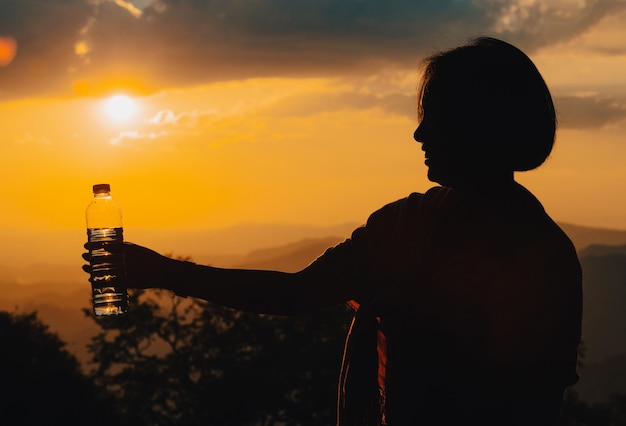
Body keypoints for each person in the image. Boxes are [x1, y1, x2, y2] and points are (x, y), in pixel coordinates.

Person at [84, 37, 582, 425]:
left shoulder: (414, 231)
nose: (419, 133)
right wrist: (162, 271)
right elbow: (295, 292)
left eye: (435, 119)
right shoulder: (542, 250)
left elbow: (293, 294)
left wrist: (166, 273)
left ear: (478, 125)